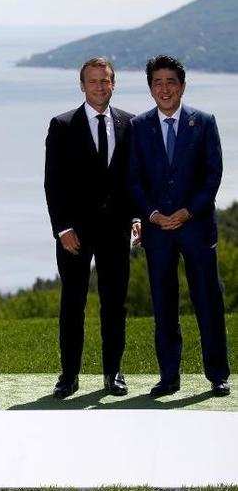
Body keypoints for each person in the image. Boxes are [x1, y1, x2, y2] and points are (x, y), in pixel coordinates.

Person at [129, 55, 230, 397]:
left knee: (208, 301)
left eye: (171, 82)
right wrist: (152, 214)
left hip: (196, 227)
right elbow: (134, 179)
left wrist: (188, 211)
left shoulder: (203, 122)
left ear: (182, 86)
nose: (165, 89)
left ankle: (217, 375)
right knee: (163, 304)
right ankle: (169, 377)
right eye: (158, 83)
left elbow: (212, 175)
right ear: (150, 88)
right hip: (157, 231)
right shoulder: (138, 127)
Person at [44, 58, 136, 399]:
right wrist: (62, 227)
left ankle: (113, 373)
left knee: (115, 304)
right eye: (93, 81)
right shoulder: (62, 124)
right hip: (74, 233)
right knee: (72, 303)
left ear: (114, 84)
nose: (100, 86)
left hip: (116, 230)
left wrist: (137, 218)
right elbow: (53, 182)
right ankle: (68, 376)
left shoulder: (130, 123)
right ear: (82, 85)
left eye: (105, 80)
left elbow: (133, 180)